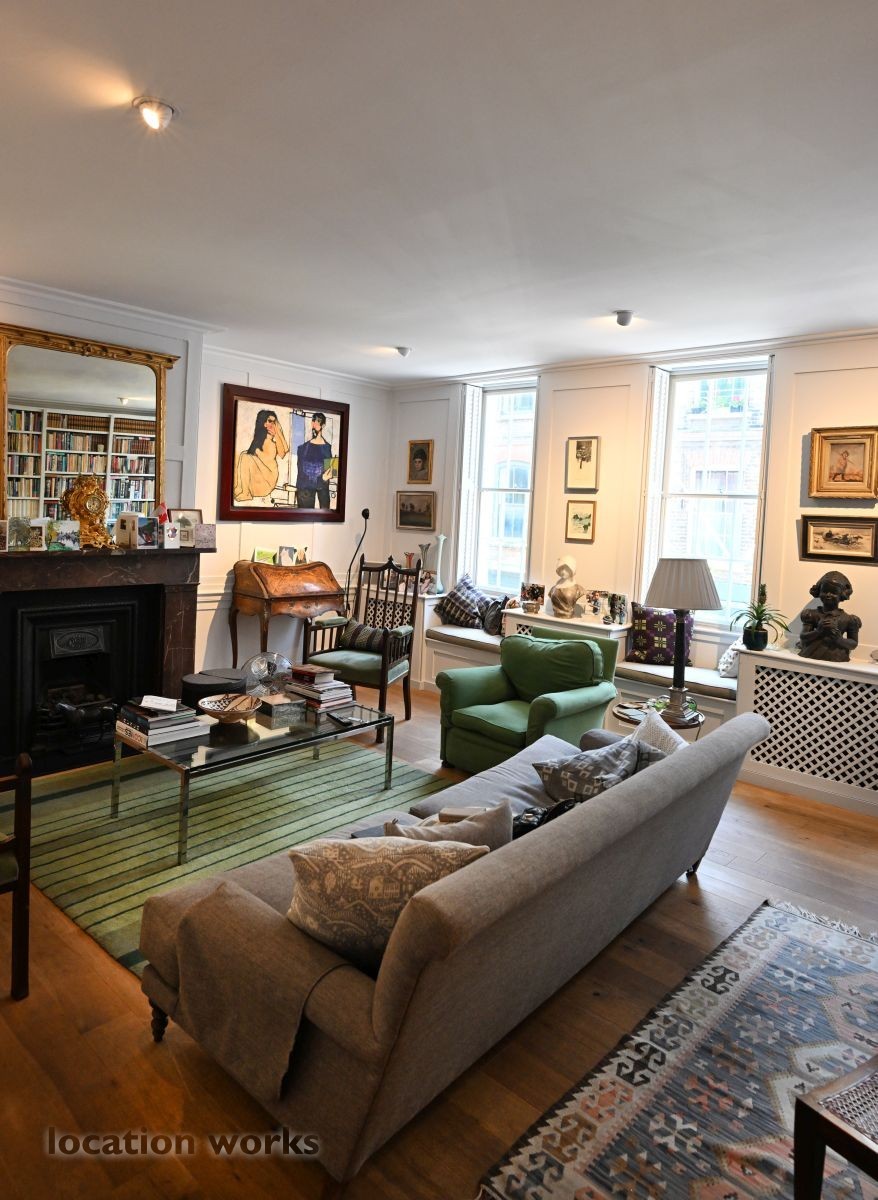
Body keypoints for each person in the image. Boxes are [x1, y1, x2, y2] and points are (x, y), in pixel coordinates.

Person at [796, 570, 861, 662]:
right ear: (819, 592)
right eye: (824, 591)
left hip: (837, 657)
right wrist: (818, 631)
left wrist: (839, 639)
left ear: (841, 594)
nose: (828, 595)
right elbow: (803, 637)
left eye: (834, 592)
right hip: (810, 654)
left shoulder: (849, 619)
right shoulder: (811, 614)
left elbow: (853, 644)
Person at [233, 409, 290, 502]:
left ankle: (246, 493)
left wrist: (278, 433)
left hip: (269, 478)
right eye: (270, 421)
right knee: (244, 454)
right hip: (259, 478)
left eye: (274, 421)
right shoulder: (260, 438)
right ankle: (242, 489)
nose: (272, 424)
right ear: (264, 423)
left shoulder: (274, 438)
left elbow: (283, 453)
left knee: (246, 456)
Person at [296, 413, 333, 508]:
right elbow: (301, 476)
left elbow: (331, 473)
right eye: (313, 421)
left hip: (323, 492)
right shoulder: (302, 448)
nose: (314, 424)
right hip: (305, 493)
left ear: (323, 425)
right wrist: (322, 479)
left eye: (318, 421)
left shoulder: (327, 448)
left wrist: (329, 475)